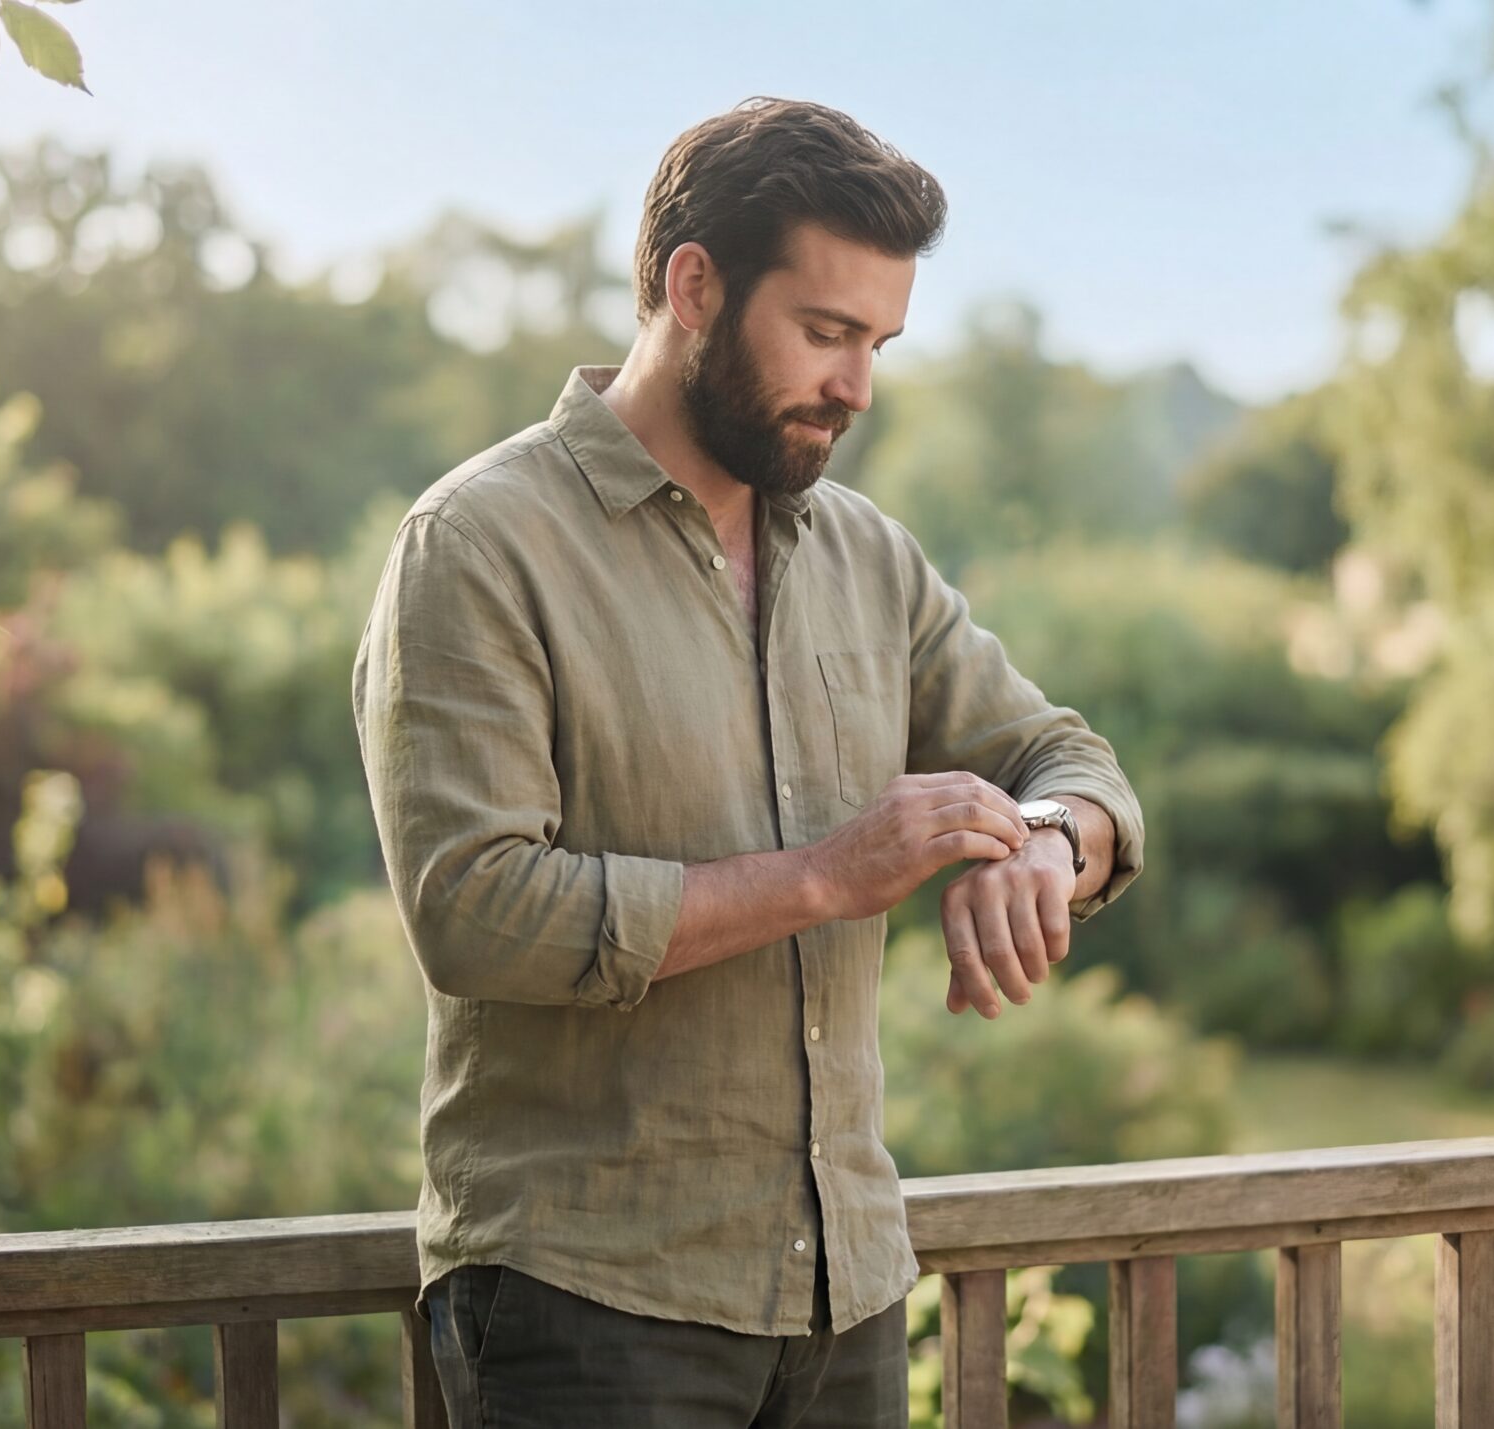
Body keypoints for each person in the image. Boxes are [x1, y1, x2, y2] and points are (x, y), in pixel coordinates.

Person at [352, 95, 1146, 1428]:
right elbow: (475, 913)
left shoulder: (865, 556)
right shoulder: (478, 545)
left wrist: (1057, 840)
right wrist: (828, 877)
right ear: (695, 286)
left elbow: (1065, 754)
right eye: (827, 332)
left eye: (880, 342)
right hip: (586, 1304)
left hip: (847, 1301)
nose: (858, 387)